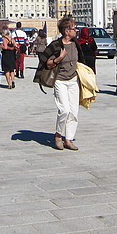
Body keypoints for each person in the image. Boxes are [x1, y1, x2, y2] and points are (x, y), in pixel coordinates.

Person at [41, 16, 84, 151]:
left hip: (73, 81)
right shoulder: (56, 45)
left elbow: (81, 60)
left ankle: (69, 139)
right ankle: (58, 135)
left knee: (74, 112)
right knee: (64, 110)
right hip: (60, 80)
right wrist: (59, 58)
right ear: (66, 31)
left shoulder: (76, 44)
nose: (76, 30)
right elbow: (46, 63)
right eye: (73, 28)